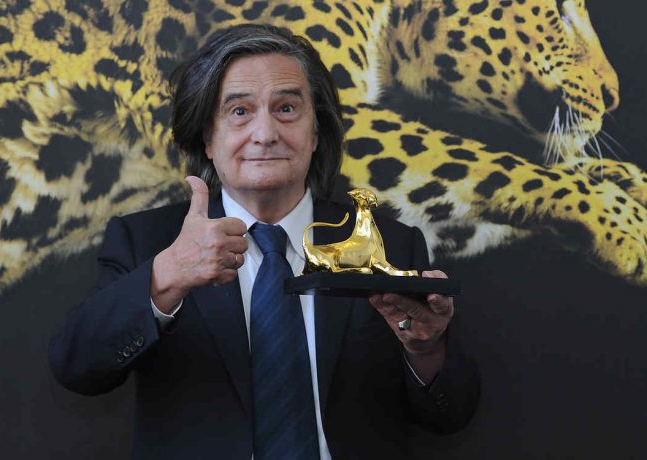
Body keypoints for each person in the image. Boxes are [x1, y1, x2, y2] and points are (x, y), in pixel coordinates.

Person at [49, 24, 479, 459]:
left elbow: (450, 415)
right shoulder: (149, 242)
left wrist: (425, 348)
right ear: (208, 139)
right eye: (239, 112)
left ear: (316, 132)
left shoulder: (388, 243)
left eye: (287, 108)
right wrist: (168, 276)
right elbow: (78, 368)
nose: (265, 133)